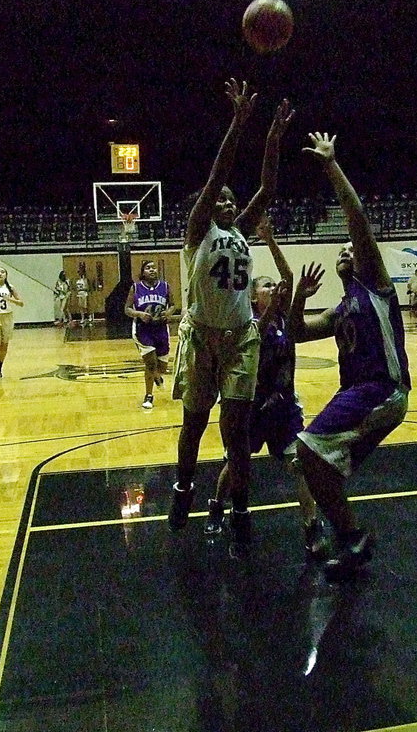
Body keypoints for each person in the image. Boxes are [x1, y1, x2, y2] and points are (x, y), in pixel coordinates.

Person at [167, 79, 293, 561]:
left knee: (236, 433)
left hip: (242, 337)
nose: (225, 202)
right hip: (201, 338)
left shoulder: (240, 232)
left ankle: (241, 510)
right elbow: (220, 168)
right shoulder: (199, 230)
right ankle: (183, 489)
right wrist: (238, 123)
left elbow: (270, 187)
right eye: (217, 198)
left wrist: (273, 138)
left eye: (228, 199)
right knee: (194, 424)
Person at [289, 131, 411, 581]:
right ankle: (353, 539)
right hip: (360, 394)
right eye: (339, 249)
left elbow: (356, 216)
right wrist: (298, 298)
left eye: (349, 249)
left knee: (307, 446)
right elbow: (298, 332)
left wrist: (329, 164)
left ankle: (350, 535)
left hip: (382, 390)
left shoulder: (376, 286)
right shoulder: (339, 309)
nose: (346, 251)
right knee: (315, 466)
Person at [204, 214, 325, 558]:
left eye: (274, 286)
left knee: (299, 464)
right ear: (253, 296)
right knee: (234, 466)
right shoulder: (254, 323)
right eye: (266, 286)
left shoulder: (285, 317)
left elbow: (288, 277)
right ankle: (216, 505)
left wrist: (269, 238)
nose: (274, 288)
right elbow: (283, 287)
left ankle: (311, 526)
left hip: (284, 406)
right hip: (251, 407)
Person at [125, 258, 176, 409]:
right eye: (148, 268)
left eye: (154, 267)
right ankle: (149, 396)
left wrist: (169, 312)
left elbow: (173, 305)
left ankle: (157, 377)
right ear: (142, 272)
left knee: (162, 368)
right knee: (151, 363)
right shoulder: (136, 288)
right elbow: (127, 309)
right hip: (143, 329)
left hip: (161, 329)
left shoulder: (165, 286)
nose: (152, 270)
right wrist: (139, 314)